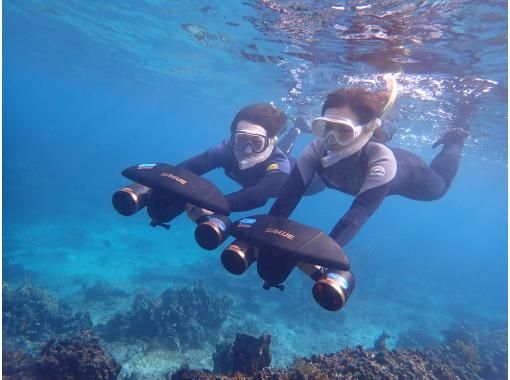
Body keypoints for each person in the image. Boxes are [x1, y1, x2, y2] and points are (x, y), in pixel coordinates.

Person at [268, 76, 469, 311]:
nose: (330, 140)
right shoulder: (315, 149)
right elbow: (286, 200)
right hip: (339, 180)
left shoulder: (381, 160)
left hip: (407, 175)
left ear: (369, 129)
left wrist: (317, 258)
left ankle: (455, 141)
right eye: (325, 128)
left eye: (342, 131)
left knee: (440, 188)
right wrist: (268, 239)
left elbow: (356, 216)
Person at [178, 103, 305, 220]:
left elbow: (259, 196)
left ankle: (296, 129)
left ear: (271, 142)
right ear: (232, 137)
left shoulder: (281, 165)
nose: (247, 150)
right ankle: (296, 129)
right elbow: (186, 169)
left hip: (302, 180)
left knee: (288, 157)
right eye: (241, 139)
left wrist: (213, 205)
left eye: (256, 142)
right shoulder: (226, 149)